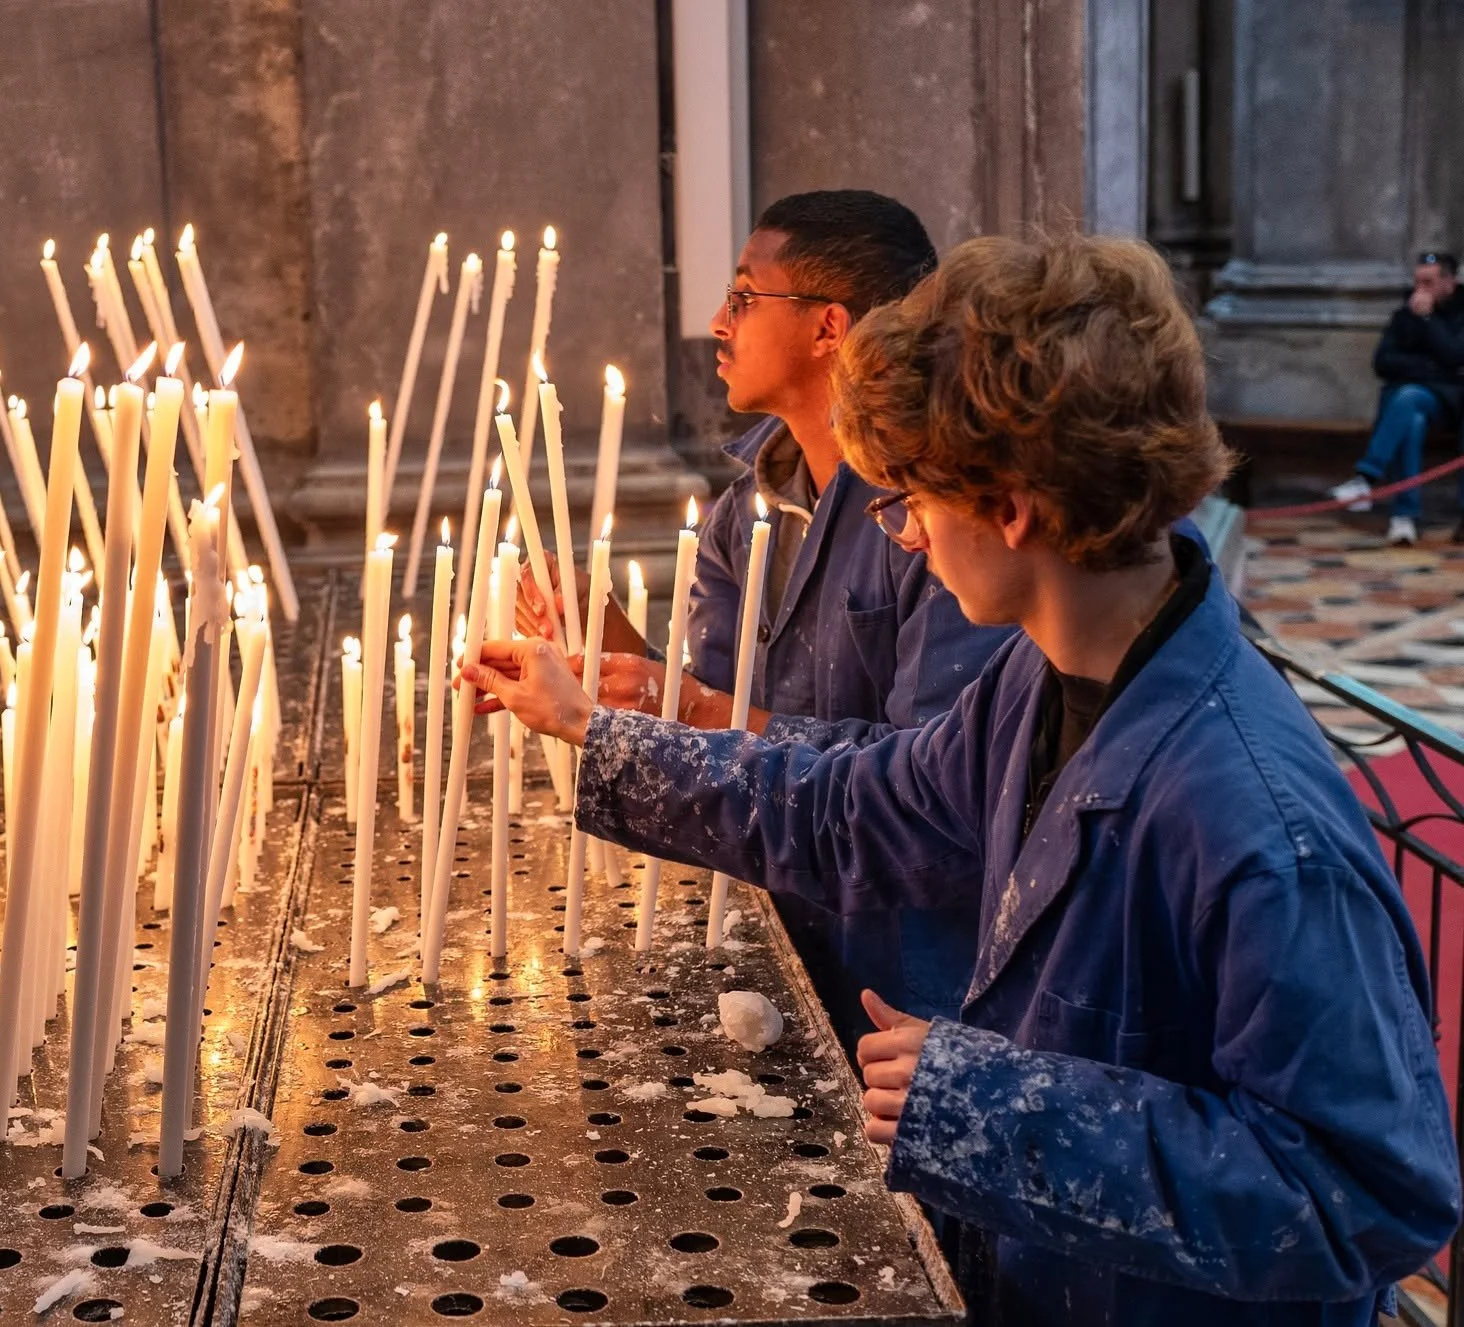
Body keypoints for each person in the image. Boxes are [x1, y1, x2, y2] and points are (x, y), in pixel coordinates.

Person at [468, 234, 1461, 1324]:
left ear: (1013, 509)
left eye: (907, 502)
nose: (903, 538)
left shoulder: (1256, 819)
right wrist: (595, 728)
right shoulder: (1043, 683)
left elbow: (1368, 1190)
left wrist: (987, 1102)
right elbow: (854, 809)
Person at [535, 191, 1013, 1044]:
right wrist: (603, 637)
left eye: (744, 297)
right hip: (785, 913)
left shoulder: (934, 520)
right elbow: (709, 707)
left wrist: (667, 713)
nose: (718, 321)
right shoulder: (748, 506)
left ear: (830, 326)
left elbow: (934, 784)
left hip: (915, 973)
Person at [1328, 251, 1463, 545]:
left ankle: (1366, 479)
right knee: (1410, 417)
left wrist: (1427, 322)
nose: (1420, 290)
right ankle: (1405, 517)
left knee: (1407, 394)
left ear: (1449, 283)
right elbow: (1384, 362)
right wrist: (1432, 369)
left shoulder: (1456, 313)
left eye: (1428, 282)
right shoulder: (1404, 314)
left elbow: (1455, 355)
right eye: (1417, 282)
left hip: (1452, 402)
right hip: (1415, 399)